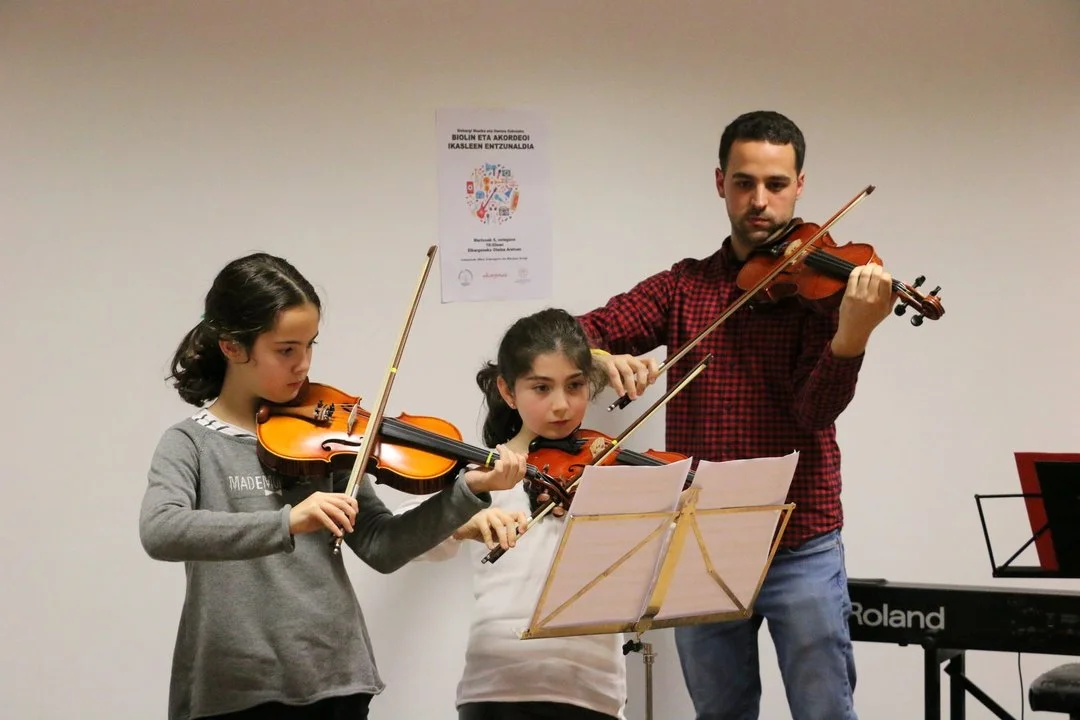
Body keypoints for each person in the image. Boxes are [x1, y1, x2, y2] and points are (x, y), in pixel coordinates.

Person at [573, 110, 896, 720]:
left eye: (776, 184)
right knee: (720, 713)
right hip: (702, 540)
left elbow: (813, 411)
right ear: (721, 182)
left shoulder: (822, 296)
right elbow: (572, 334)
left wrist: (850, 337)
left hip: (800, 539)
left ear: (800, 186)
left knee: (824, 711)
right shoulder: (682, 287)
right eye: (745, 183)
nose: (760, 201)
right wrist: (600, 357)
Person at [139, 252, 529, 720]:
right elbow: (161, 530)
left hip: (335, 677)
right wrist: (288, 521)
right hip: (234, 687)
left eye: (310, 346)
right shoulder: (191, 443)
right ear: (232, 347)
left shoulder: (326, 438)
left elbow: (381, 545)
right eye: (286, 350)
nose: (303, 365)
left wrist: (466, 493)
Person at [395, 308, 629, 720]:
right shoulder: (483, 474)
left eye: (575, 386)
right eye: (541, 388)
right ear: (508, 391)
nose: (561, 405)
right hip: (499, 687)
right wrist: (462, 521)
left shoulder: (612, 474)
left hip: (593, 689)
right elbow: (400, 537)